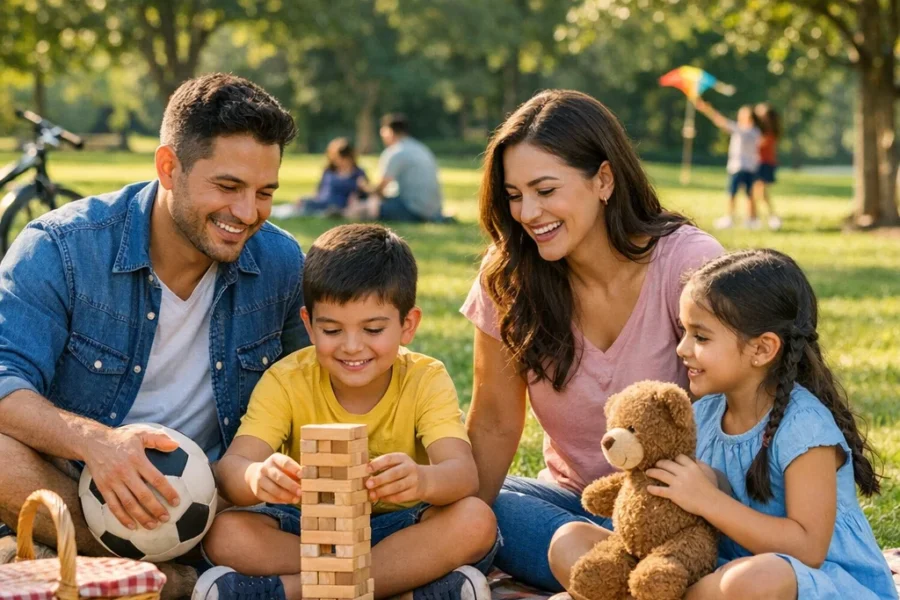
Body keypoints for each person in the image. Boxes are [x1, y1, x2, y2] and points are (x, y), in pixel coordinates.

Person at [0, 73, 309, 597]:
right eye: (228, 187)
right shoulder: (61, 249)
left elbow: (318, 389)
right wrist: (96, 444)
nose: (247, 213)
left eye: (265, 193)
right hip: (78, 493)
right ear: (169, 167)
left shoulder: (280, 263)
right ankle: (167, 578)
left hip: (221, 510)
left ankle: (108, 570)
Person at [460, 89, 724, 592]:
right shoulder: (508, 278)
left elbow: (737, 411)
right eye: (514, 195)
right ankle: (627, 581)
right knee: (480, 507)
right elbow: (493, 422)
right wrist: (455, 523)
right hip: (577, 507)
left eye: (545, 189)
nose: (528, 213)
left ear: (603, 179)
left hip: (687, 519)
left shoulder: (685, 263)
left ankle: (626, 579)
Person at [195, 224, 498, 600]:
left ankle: (292, 592)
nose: (352, 347)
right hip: (311, 532)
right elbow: (231, 469)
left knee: (475, 520)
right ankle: (405, 589)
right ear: (308, 325)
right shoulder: (287, 379)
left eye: (372, 329)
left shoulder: (425, 378)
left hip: (399, 527)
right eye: (332, 330)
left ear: (408, 325)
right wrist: (257, 476)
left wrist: (422, 479)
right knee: (225, 534)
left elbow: (464, 475)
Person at [642, 249, 894, 599]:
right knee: (575, 538)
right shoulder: (703, 416)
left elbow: (807, 549)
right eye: (684, 332)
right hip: (726, 573)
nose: (682, 349)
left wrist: (707, 500)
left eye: (700, 337)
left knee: (753, 579)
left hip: (821, 583)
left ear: (762, 349)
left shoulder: (804, 428)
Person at [351, 114, 444, 222]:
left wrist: (364, 187)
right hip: (434, 211)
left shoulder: (395, 152)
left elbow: (379, 190)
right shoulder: (421, 148)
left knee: (363, 207)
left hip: (413, 211)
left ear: (389, 131)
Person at [693, 98, 762, 230]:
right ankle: (752, 220)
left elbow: (720, 121)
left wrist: (706, 108)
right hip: (751, 168)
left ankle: (730, 218)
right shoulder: (756, 132)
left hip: (738, 167)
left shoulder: (742, 130)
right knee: (749, 195)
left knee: (732, 193)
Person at [273, 137, 368, 219]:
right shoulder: (329, 171)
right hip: (323, 201)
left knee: (324, 210)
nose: (341, 162)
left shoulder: (358, 173)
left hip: (340, 205)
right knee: (302, 203)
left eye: (344, 159)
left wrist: (358, 194)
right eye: (339, 159)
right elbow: (319, 191)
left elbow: (364, 193)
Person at [754, 103, 782, 230]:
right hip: (762, 163)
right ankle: (762, 216)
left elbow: (760, 145)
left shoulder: (769, 132)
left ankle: (772, 216)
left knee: (761, 192)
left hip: (765, 164)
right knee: (758, 192)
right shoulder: (763, 130)